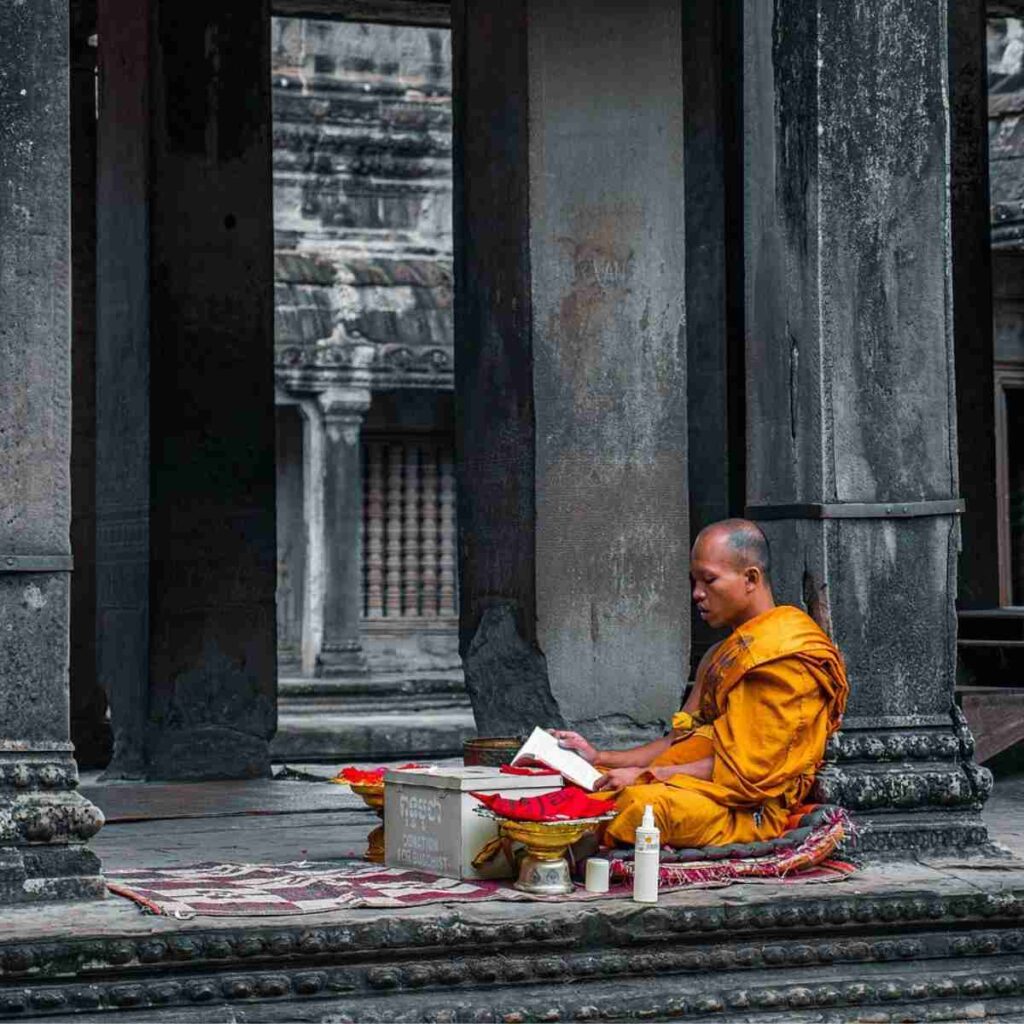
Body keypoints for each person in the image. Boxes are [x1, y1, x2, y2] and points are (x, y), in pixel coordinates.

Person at [553, 518, 849, 849]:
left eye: (709, 580)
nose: (697, 594)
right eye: (694, 582)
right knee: (582, 786)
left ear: (751, 578)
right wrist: (600, 756)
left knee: (638, 809)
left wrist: (645, 776)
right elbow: (678, 742)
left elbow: (748, 773)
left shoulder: (785, 654)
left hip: (745, 806)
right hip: (692, 784)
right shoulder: (719, 655)